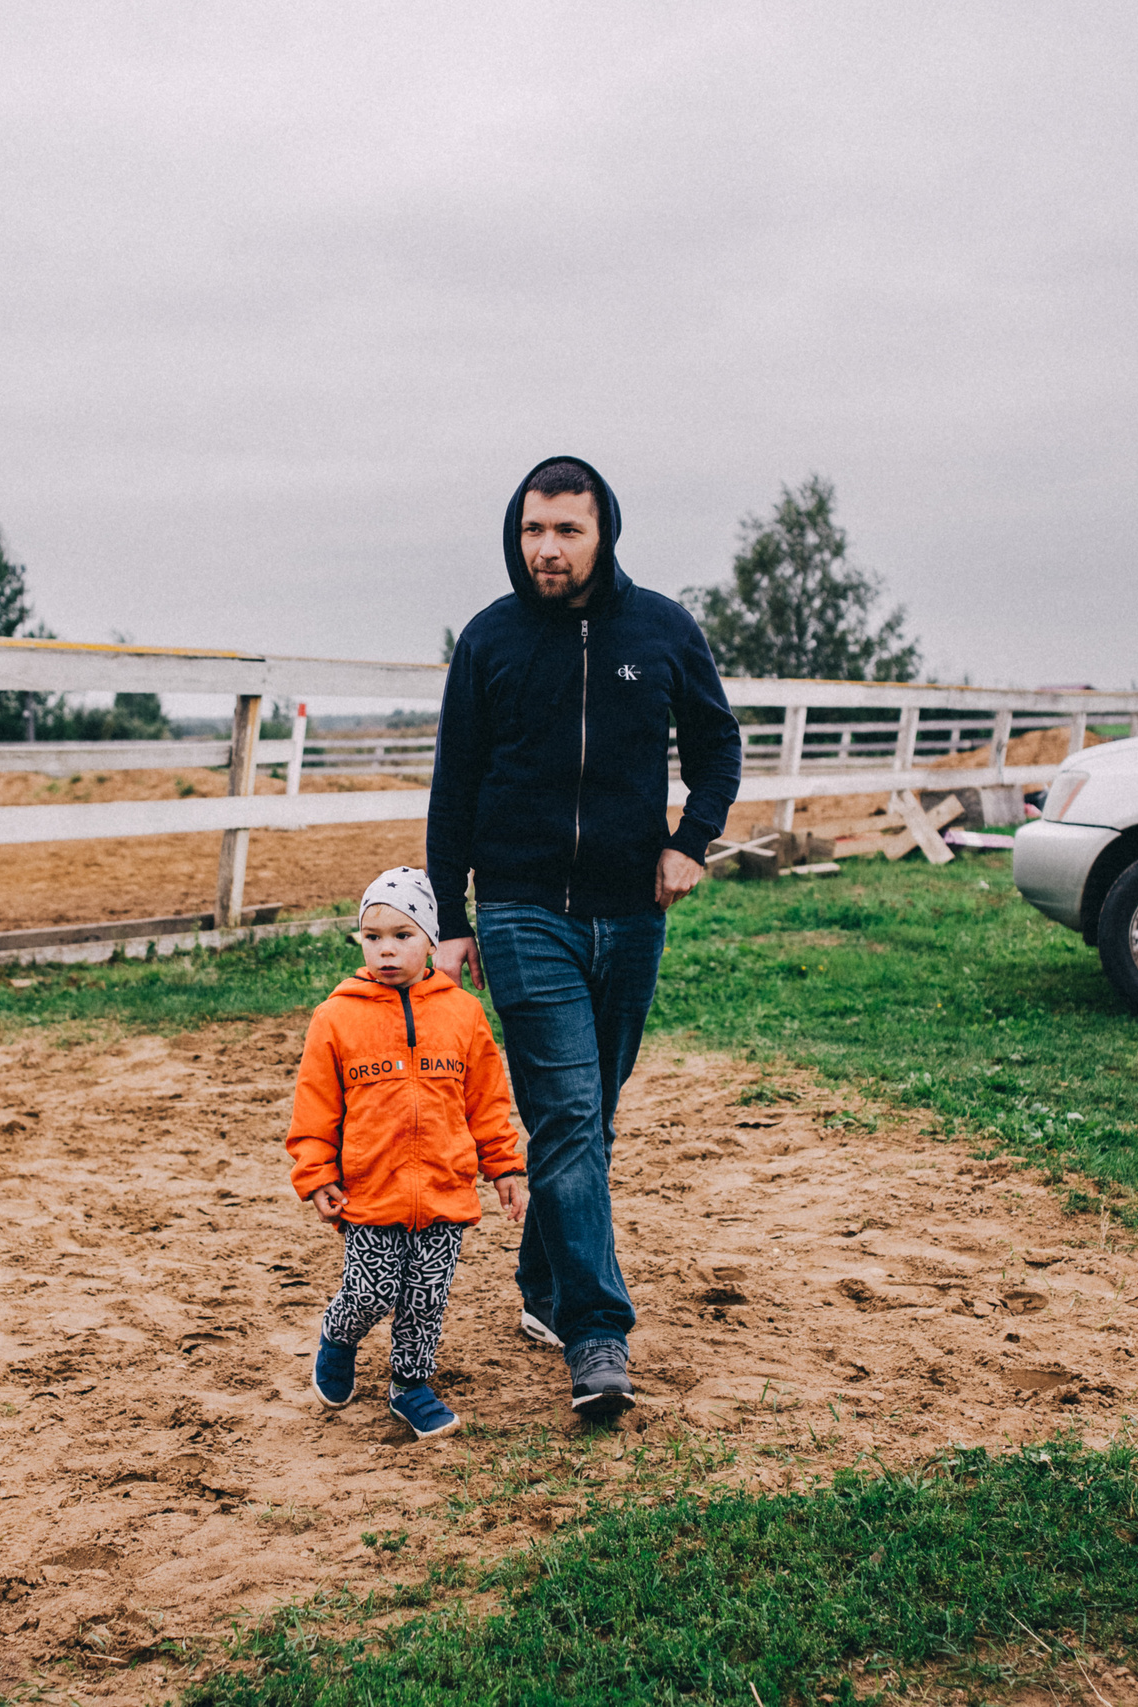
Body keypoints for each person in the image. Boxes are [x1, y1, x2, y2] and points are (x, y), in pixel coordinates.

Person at [426, 455, 742, 1418]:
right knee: (567, 1118)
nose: (547, 549)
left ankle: (543, 1290)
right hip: (522, 910)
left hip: (631, 912)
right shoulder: (491, 640)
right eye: (533, 530)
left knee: (588, 1120)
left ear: (604, 532)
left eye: (566, 530)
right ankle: (598, 1334)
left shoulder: (661, 630)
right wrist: (450, 918)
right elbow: (455, 784)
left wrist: (691, 841)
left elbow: (718, 744)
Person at [286, 867, 528, 1441]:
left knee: (425, 1299)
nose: (387, 949)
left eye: (403, 935)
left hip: (445, 1189)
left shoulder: (463, 1014)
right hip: (370, 1191)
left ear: (431, 939)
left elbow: (487, 1101)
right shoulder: (336, 1016)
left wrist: (504, 1166)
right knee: (371, 1291)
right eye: (373, 937)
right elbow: (315, 1106)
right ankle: (339, 1335)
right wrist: (316, 1173)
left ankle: (410, 1386)